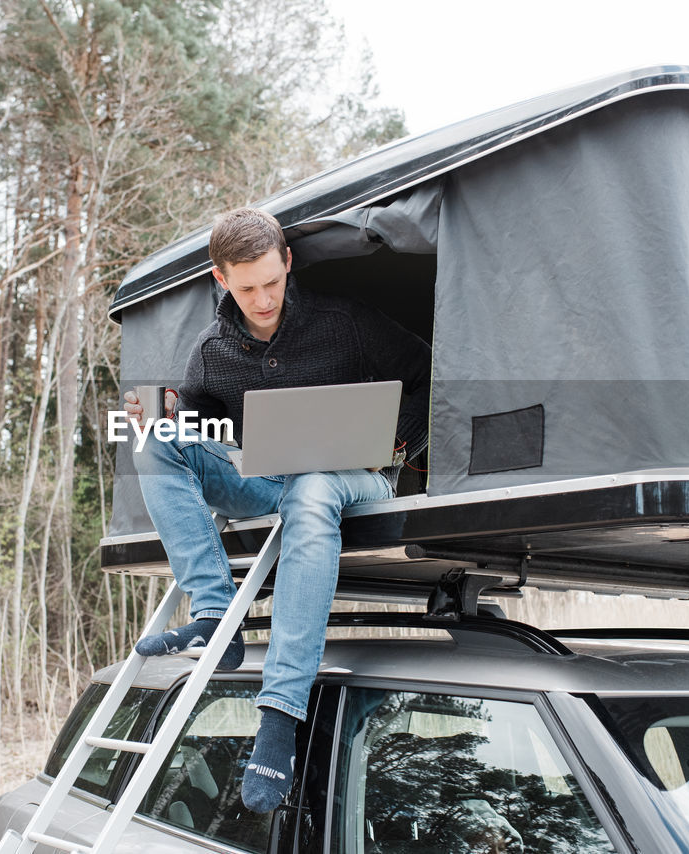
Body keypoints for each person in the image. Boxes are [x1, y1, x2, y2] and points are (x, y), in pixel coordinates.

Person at [123, 207, 430, 812]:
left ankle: (281, 716)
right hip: (266, 481)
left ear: (287, 262)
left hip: (357, 478)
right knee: (151, 439)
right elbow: (195, 424)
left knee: (314, 485)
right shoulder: (211, 354)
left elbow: (427, 373)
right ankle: (216, 614)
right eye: (246, 288)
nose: (263, 299)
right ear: (221, 279)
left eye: (272, 281)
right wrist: (159, 417)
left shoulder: (348, 323)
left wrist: (397, 442)